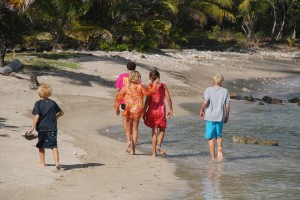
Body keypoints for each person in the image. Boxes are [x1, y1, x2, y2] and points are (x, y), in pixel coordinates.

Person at [114, 70, 159, 155]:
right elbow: (150, 92)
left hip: (129, 107)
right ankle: (134, 150)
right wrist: (154, 84)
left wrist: (117, 108)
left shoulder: (126, 87)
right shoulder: (140, 87)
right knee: (135, 128)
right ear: (138, 78)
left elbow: (119, 97)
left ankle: (129, 142)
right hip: (138, 108)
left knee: (128, 128)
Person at [28, 83, 64, 170]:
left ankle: (42, 162)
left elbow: (37, 116)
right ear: (49, 93)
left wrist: (32, 127)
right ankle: (57, 162)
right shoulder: (53, 103)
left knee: (41, 145)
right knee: (54, 145)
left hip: (42, 128)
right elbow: (61, 113)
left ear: (39, 93)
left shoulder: (38, 104)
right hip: (52, 128)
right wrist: (55, 117)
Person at [199, 74, 230, 162]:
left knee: (210, 137)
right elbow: (227, 105)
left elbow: (205, 102)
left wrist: (201, 110)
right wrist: (227, 115)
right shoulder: (225, 91)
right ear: (222, 82)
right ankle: (219, 148)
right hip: (220, 116)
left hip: (210, 117)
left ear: (213, 81)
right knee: (219, 135)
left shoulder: (208, 90)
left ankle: (213, 158)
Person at [143, 69, 173, 157]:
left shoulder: (150, 87)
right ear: (159, 77)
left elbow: (147, 101)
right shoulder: (163, 86)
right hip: (161, 110)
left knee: (154, 131)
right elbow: (168, 98)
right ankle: (158, 145)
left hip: (152, 110)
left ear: (150, 78)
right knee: (162, 129)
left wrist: (144, 112)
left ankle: (153, 153)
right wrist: (171, 109)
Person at [114, 62, 137, 144]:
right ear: (135, 68)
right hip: (134, 103)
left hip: (123, 102)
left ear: (126, 68)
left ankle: (128, 139)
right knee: (131, 121)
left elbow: (118, 89)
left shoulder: (121, 76)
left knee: (125, 121)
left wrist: (117, 105)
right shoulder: (136, 77)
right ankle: (130, 136)